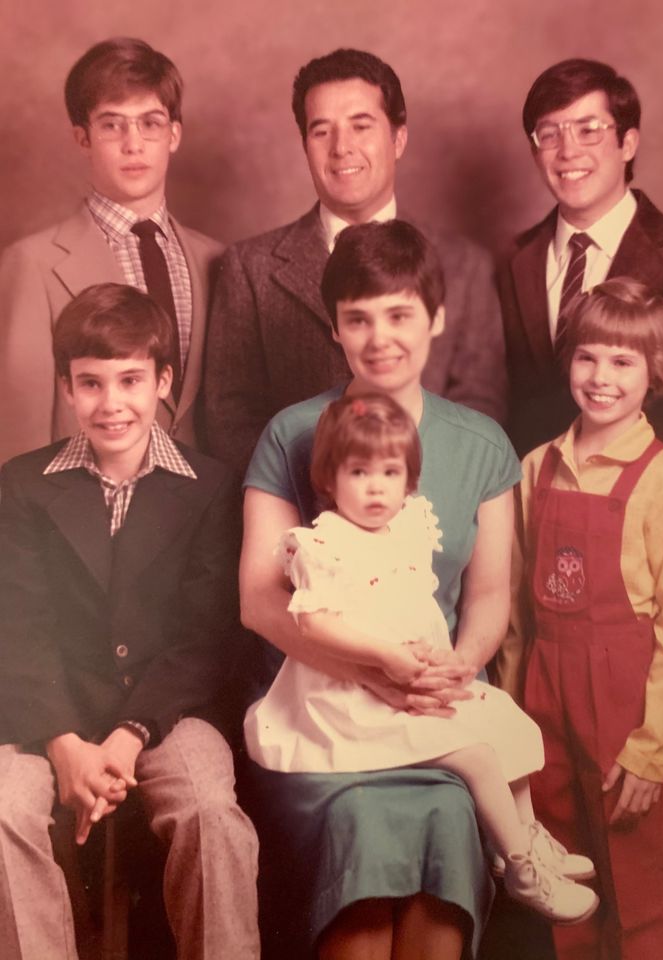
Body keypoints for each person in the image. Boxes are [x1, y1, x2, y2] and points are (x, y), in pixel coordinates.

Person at [240, 218, 516, 960]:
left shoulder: (481, 444)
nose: (379, 337)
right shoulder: (293, 433)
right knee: (357, 821)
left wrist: (455, 666)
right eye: (358, 318)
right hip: (323, 719)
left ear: (438, 318)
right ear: (334, 326)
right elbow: (260, 600)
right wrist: (373, 669)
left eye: (400, 314)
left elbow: (490, 598)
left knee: (452, 815)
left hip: (438, 712)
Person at [245, 390, 600, 927]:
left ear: (409, 480)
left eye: (390, 473)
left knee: (504, 720)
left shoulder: (409, 526)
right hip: (349, 701)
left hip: (407, 678)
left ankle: (522, 842)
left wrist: (436, 658)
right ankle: (526, 873)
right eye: (358, 472)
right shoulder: (324, 544)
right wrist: (387, 654)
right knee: (477, 756)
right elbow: (315, 623)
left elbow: (417, 608)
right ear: (327, 480)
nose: (374, 488)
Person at [0, 283, 259, 960]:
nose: (111, 404)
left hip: (168, 710)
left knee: (211, 814)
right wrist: (61, 742)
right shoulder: (22, 484)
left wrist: (127, 737)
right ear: (65, 387)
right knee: (2, 812)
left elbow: (203, 639)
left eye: (130, 380)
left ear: (164, 380)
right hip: (45, 713)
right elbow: (18, 626)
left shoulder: (212, 487)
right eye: (90, 383)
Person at [497, 279, 663, 959]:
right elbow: (512, 612)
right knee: (562, 875)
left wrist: (652, 749)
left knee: (638, 878)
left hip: (626, 702)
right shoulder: (537, 467)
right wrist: (508, 714)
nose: (602, 377)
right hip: (544, 693)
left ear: (657, 373)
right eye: (590, 357)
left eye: (624, 362)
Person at [203, 47, 506, 478]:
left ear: (398, 139)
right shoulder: (248, 268)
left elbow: (481, 402)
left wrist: (401, 494)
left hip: (429, 512)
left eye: (361, 126)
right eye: (321, 131)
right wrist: (315, 496)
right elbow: (230, 418)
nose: (342, 148)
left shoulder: (464, 266)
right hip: (297, 516)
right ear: (304, 144)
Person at [497, 58, 663, 642]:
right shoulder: (515, 263)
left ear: (628, 142)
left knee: (649, 724)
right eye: (549, 133)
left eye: (588, 129)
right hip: (545, 542)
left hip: (649, 556)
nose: (567, 149)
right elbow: (520, 412)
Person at [0, 37, 223, 465]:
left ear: (174, 134)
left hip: (203, 517)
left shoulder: (216, 260)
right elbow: (18, 446)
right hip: (80, 518)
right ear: (82, 138)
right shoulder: (33, 265)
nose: (133, 143)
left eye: (150, 123)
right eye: (111, 124)